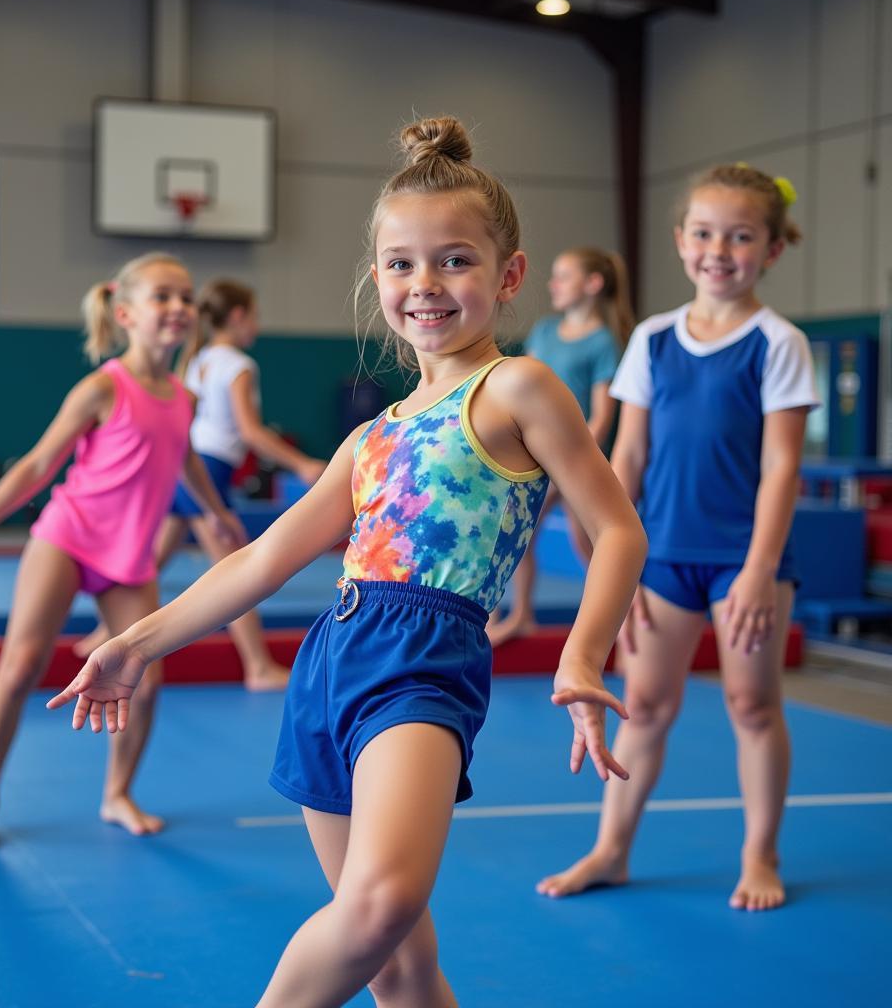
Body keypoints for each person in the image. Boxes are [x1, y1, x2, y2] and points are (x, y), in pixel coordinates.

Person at [48, 117, 647, 1006]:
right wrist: (138, 643)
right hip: (335, 661)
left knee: (378, 906)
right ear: (378, 278)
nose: (426, 284)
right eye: (402, 263)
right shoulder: (372, 437)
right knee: (400, 965)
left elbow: (620, 530)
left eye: (455, 259)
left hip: (426, 663)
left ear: (508, 274)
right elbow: (260, 560)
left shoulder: (518, 387)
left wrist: (583, 650)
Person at [537, 164, 818, 912]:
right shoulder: (653, 340)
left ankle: (760, 853)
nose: (718, 249)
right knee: (648, 703)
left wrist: (759, 570)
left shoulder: (778, 343)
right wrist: (608, 566)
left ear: (772, 249)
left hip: (743, 560)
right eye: (703, 232)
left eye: (740, 236)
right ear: (679, 240)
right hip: (659, 557)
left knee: (752, 704)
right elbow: (625, 460)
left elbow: (781, 470)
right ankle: (611, 849)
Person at [0, 252, 243, 852]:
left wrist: (217, 513)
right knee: (18, 668)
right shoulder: (102, 387)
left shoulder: (183, 397)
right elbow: (38, 466)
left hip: (128, 556)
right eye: (162, 297)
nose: (179, 308)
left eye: (185, 297)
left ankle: (117, 793)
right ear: (125, 313)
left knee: (144, 681)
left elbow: (186, 458)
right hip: (67, 537)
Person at [73, 279, 326, 691]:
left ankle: (111, 626)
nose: (257, 327)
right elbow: (251, 431)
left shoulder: (197, 358)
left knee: (153, 558)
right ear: (239, 317)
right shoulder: (239, 365)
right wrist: (301, 463)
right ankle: (258, 666)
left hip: (184, 461)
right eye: (255, 317)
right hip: (206, 468)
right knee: (234, 573)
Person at [487, 247, 633, 647]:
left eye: (564, 276)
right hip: (536, 454)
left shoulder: (603, 342)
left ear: (592, 285)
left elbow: (603, 414)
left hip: (574, 456)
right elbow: (523, 392)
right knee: (517, 535)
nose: (553, 284)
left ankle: (623, 614)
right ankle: (519, 615)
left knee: (587, 541)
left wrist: (573, 458)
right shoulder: (545, 332)